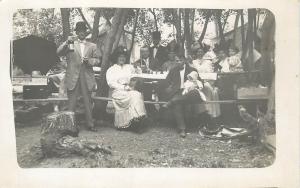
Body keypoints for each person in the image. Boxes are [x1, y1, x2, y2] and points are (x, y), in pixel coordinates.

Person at [57, 21, 100, 132]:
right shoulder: (71, 44)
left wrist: (89, 61)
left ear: (86, 32)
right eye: (79, 31)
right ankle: (70, 126)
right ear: (76, 32)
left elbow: (98, 60)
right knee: (71, 102)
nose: (81, 33)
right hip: (72, 76)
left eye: (83, 31)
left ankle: (90, 124)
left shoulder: (92, 45)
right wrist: (67, 41)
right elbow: (59, 52)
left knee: (87, 101)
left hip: (86, 76)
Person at [157, 57, 208, 138]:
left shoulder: (192, 70)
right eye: (176, 61)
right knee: (178, 103)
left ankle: (172, 102)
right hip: (178, 92)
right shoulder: (173, 70)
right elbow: (166, 82)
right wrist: (168, 87)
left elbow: (200, 82)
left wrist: (195, 86)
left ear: (184, 61)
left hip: (191, 92)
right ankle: (182, 129)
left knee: (187, 96)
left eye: (180, 60)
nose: (178, 62)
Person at [106, 46, 147, 131]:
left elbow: (137, 74)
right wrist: (124, 87)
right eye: (120, 57)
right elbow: (111, 83)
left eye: (124, 57)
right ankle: (128, 122)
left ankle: (137, 119)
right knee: (133, 95)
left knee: (137, 94)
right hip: (118, 91)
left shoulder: (129, 67)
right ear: (116, 58)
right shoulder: (111, 69)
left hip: (129, 89)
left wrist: (137, 68)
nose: (122, 58)